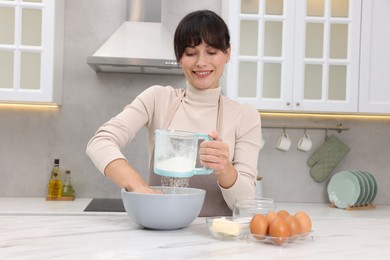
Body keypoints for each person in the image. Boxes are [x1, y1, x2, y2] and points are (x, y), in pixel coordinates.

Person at [86, 10, 262, 216]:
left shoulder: (245, 115)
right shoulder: (157, 99)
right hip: (159, 231)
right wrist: (138, 186)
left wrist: (225, 169)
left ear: (228, 53)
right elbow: (99, 142)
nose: (201, 62)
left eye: (212, 52)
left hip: (215, 240)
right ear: (179, 57)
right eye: (190, 52)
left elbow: (246, 203)